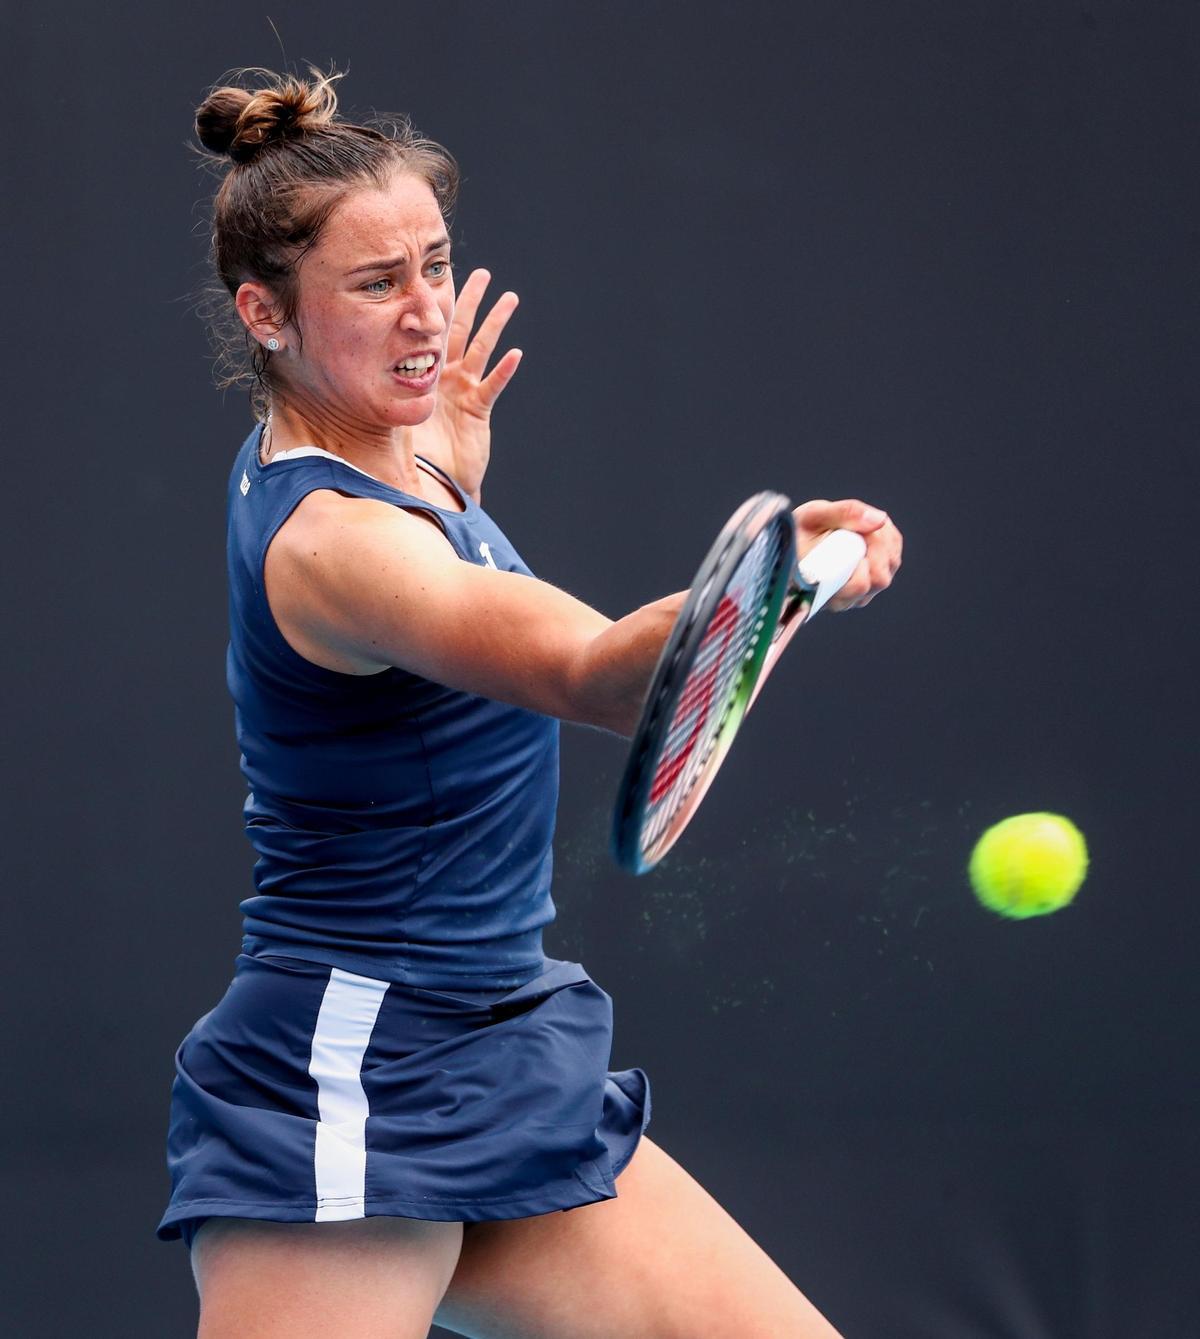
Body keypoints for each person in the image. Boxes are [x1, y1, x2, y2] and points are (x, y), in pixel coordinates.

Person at [158, 65, 902, 1339]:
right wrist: (780, 583)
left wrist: (442, 457)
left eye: (436, 265)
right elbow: (597, 674)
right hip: (359, 1071)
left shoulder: (372, 462)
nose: (426, 315)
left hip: (498, 1043)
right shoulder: (340, 547)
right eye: (376, 285)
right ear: (264, 316)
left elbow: (417, 535)